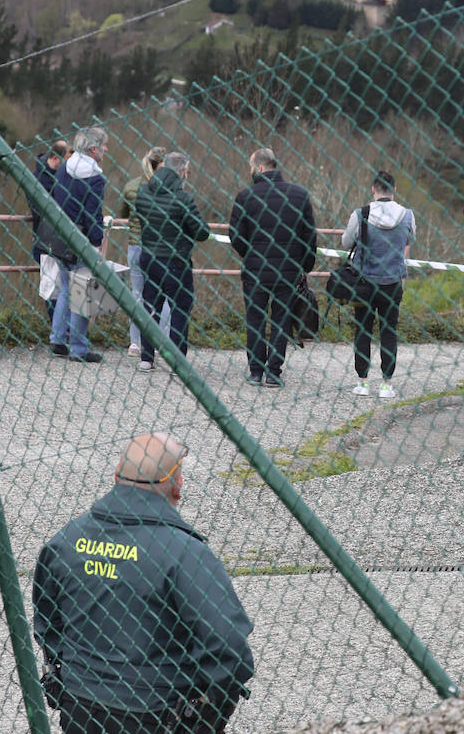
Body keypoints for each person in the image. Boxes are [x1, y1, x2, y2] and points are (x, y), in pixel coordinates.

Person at [33, 433, 255, 733]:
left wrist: (79, 677)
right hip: (160, 714)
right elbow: (227, 644)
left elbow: (48, 623)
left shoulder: (67, 540)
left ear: (116, 476)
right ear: (177, 486)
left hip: (81, 709)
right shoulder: (184, 552)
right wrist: (207, 713)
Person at [228, 147, 318, 388]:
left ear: (258, 167)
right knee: (281, 319)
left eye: (250, 166)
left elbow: (235, 235)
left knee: (255, 319)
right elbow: (309, 236)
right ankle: (274, 372)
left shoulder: (246, 196)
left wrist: (250, 255)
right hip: (288, 270)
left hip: (255, 269)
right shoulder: (299, 195)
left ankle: (256, 371)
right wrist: (304, 266)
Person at [134, 151, 211, 371]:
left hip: (149, 257)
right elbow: (201, 231)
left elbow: (143, 219)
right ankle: (177, 360)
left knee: (150, 307)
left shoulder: (143, 193)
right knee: (179, 309)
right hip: (176, 260)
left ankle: (146, 357)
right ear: (182, 170)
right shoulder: (183, 198)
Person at [342, 170, 416, 399]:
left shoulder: (361, 213)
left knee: (362, 330)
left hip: (365, 282)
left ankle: (362, 382)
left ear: (373, 190)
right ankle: (386, 384)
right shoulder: (407, 215)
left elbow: (346, 242)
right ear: (394, 190)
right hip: (393, 282)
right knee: (389, 331)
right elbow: (409, 240)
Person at [42, 127, 110, 364]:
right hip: (81, 241)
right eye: (104, 146)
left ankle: (58, 339)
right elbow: (92, 213)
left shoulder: (64, 169)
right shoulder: (95, 178)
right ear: (93, 149)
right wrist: (97, 240)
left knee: (65, 287)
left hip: (61, 236)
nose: (106, 150)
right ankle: (79, 348)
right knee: (83, 292)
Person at [117, 147, 167, 357]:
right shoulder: (166, 188)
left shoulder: (132, 186)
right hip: (160, 246)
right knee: (164, 297)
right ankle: (162, 341)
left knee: (137, 295)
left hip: (136, 244)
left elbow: (122, 214)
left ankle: (136, 343)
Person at [30, 139, 71, 323]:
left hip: (64, 238)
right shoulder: (38, 179)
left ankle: (62, 328)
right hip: (46, 239)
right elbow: (40, 209)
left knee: (65, 284)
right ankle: (57, 326)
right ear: (56, 158)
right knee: (52, 286)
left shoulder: (63, 175)